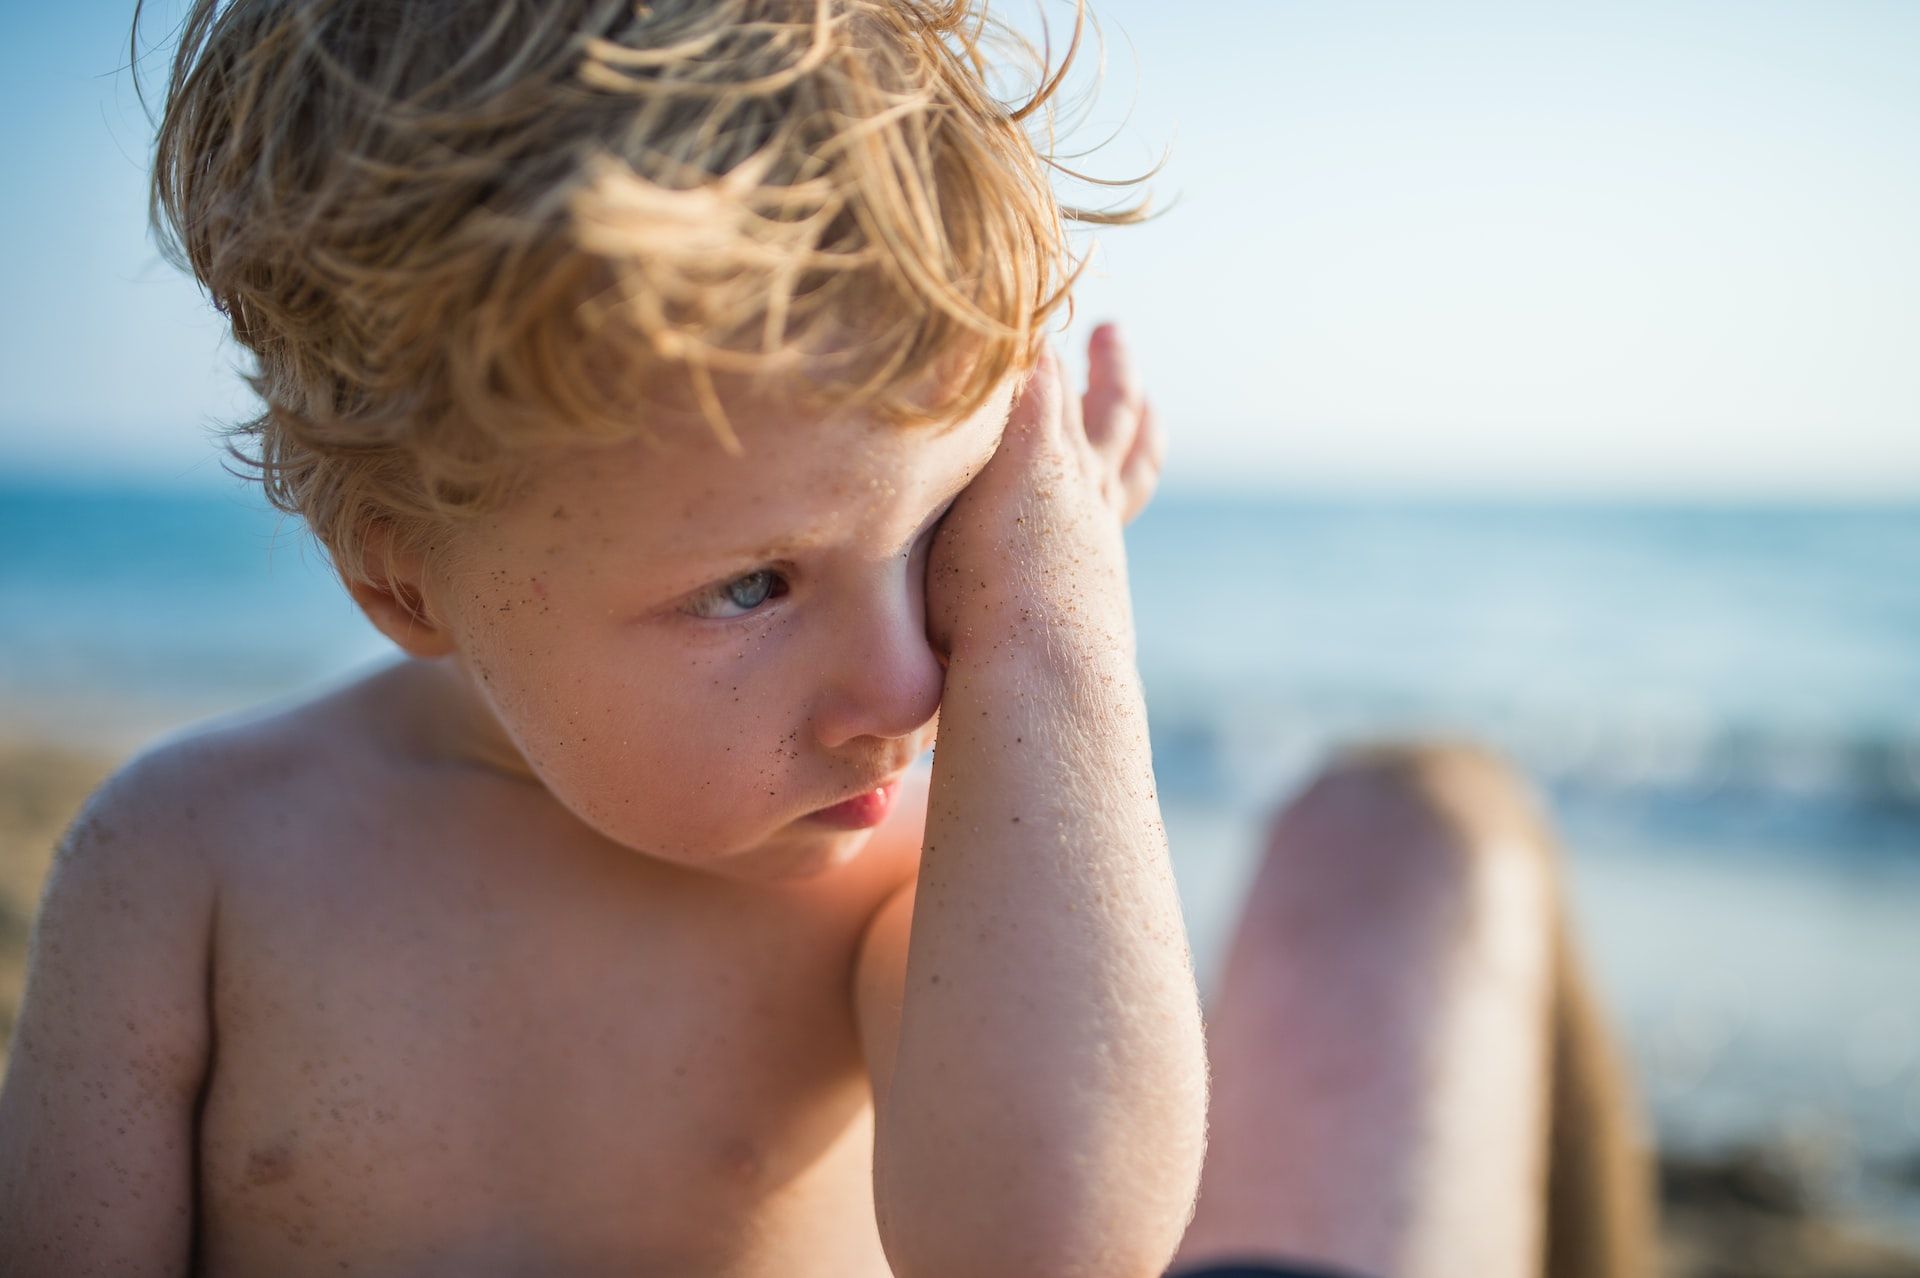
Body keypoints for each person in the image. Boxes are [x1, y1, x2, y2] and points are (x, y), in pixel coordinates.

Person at [0, 2, 1651, 1274]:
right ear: (408, 579)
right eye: (752, 585)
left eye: (947, 535)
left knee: (1422, 823)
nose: (913, 684)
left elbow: (1050, 1241)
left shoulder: (900, 888)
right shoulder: (190, 867)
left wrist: (1054, 618)